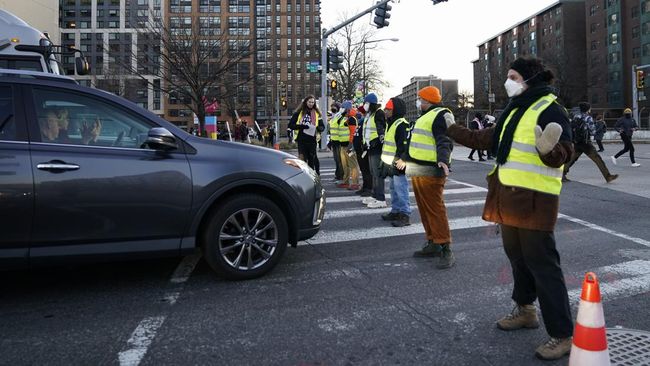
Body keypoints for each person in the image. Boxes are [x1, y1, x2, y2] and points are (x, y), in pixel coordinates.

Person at [445, 57, 574, 360]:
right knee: (519, 261)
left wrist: (550, 151)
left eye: (513, 76)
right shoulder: (513, 111)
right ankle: (526, 310)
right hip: (509, 200)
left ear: (529, 79)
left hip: (534, 202)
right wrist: (452, 129)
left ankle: (562, 334)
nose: (509, 81)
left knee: (544, 268)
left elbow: (565, 152)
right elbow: (485, 140)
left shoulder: (550, 108)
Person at [404, 86, 455, 269]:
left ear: (428, 100)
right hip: (418, 168)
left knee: (434, 208)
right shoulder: (425, 117)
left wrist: (443, 160)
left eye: (420, 99)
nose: (418, 101)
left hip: (432, 170)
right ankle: (433, 241)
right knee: (425, 208)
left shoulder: (440, 115)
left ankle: (446, 247)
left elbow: (445, 140)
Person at [563, 102, 618, 183]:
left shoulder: (576, 116)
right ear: (588, 109)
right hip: (586, 143)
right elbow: (593, 131)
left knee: (571, 159)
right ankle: (608, 176)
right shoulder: (588, 118)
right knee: (597, 159)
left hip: (577, 141)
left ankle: (561, 174)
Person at [381, 97, 411, 227]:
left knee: (400, 188)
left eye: (388, 109)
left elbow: (403, 147)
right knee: (393, 188)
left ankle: (404, 214)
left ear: (395, 110)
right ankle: (396, 211)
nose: (385, 111)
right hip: (391, 162)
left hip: (398, 163)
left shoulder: (401, 124)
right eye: (385, 108)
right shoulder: (391, 123)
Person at [360, 93, 387, 209]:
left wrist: (379, 140)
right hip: (370, 147)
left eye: (366, 103)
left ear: (371, 103)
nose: (364, 105)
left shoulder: (378, 113)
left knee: (377, 174)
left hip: (376, 147)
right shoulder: (369, 114)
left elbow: (381, 128)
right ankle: (375, 195)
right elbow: (367, 132)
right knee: (373, 172)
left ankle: (381, 198)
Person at [288, 95, 324, 173]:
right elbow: (291, 125)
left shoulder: (317, 113)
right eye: (309, 102)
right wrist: (302, 126)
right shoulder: (298, 113)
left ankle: (316, 175)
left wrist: (318, 128)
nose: (311, 104)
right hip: (301, 140)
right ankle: (303, 175)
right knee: (302, 159)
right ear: (305, 102)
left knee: (313, 159)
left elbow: (322, 126)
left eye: (312, 102)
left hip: (312, 140)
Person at [336, 101, 360, 190]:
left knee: (353, 164)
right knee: (345, 165)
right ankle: (346, 182)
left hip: (349, 146)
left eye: (342, 108)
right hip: (343, 145)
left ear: (346, 109)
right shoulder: (344, 118)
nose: (340, 110)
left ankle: (355, 183)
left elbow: (353, 133)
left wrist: (350, 145)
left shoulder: (352, 119)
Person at [353, 105, 373, 196]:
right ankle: (365, 187)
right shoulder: (361, 121)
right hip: (358, 149)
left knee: (366, 169)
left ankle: (368, 188)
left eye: (361, 112)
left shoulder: (366, 121)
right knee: (363, 169)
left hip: (363, 149)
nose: (360, 113)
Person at [327, 102, 344, 183]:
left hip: (339, 142)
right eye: (332, 107)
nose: (332, 109)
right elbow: (332, 131)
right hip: (334, 142)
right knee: (337, 160)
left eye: (334, 107)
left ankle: (340, 176)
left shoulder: (339, 116)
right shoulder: (333, 117)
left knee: (339, 160)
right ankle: (338, 175)